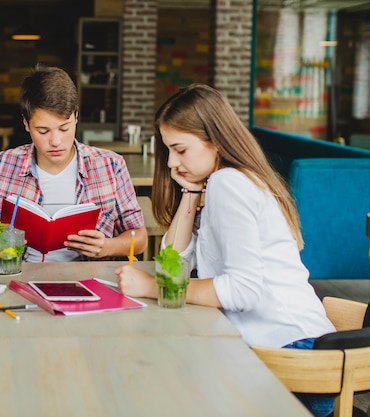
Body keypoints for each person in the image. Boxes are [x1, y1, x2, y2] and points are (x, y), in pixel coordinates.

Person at [114, 84, 336, 417]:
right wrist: (189, 193)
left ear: (215, 141)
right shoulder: (226, 181)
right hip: (302, 356)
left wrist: (152, 288)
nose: (172, 162)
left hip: (294, 361)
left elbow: (242, 291)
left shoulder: (229, 184)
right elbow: (171, 263)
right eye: (168, 150)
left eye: (181, 150)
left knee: (152, 384)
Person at [0, 65, 147, 262]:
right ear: (26, 124)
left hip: (90, 281)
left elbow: (140, 238)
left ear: (76, 116)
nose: (55, 141)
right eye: (43, 131)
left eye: (64, 128)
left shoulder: (110, 166)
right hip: (19, 279)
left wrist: (107, 246)